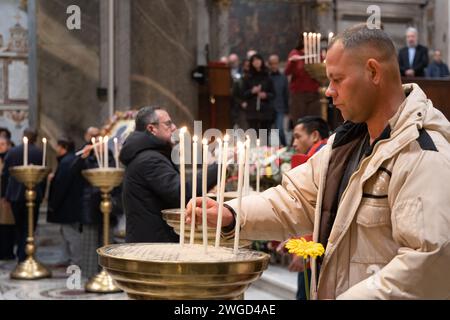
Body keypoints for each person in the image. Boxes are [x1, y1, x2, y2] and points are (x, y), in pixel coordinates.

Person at [187, 24, 450, 299]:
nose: (328, 91)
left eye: (337, 79)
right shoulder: (345, 143)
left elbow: (426, 266)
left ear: (373, 72)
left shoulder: (422, 155)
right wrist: (232, 214)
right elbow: (295, 199)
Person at [119, 106, 218, 243]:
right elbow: (183, 194)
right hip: (152, 246)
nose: (174, 127)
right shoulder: (149, 160)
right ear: (151, 129)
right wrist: (219, 167)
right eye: (168, 123)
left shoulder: (150, 154)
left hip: (152, 239)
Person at [287, 116, 330, 300]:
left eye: (298, 137)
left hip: (313, 247)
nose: (294, 143)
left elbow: (313, 207)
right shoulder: (319, 155)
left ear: (314, 135)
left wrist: (303, 248)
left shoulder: (321, 158)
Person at [1, 129, 46, 263]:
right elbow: (42, 176)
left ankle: (22, 254)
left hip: (15, 195)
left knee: (20, 227)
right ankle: (25, 255)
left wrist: (4, 194)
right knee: (30, 227)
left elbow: (5, 175)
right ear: (36, 138)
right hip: (34, 194)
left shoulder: (13, 152)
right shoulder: (39, 152)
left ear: (23, 137)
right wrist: (42, 193)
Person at [47, 137, 84, 266]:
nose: (56, 149)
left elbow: (62, 185)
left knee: (71, 234)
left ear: (64, 147)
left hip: (67, 205)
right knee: (66, 233)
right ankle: (67, 258)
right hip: (70, 204)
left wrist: (54, 204)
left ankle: (76, 260)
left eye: (57, 146)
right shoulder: (70, 160)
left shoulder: (66, 162)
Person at [285, 37, 321, 122]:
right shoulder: (295, 53)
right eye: (308, 39)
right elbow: (287, 72)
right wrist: (292, 62)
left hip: (314, 92)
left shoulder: (317, 54)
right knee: (299, 120)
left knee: (313, 121)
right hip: (299, 93)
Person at [242, 54, 275, 131]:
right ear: (251, 63)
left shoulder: (267, 77)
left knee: (264, 137)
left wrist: (265, 95)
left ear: (262, 61)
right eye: (254, 60)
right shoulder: (247, 77)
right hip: (252, 111)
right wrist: (252, 91)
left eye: (258, 60)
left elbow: (273, 94)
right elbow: (243, 94)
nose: (256, 62)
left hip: (265, 111)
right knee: (253, 136)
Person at [268, 54, 289, 146]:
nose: (274, 66)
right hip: (268, 107)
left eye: (275, 63)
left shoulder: (283, 78)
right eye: (272, 63)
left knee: (280, 129)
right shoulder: (267, 77)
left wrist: (287, 108)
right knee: (267, 130)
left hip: (280, 107)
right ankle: (267, 149)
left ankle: (285, 146)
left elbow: (286, 93)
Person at [0, 135, 14, 260]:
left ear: (8, 145)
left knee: (7, 226)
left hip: (6, 198)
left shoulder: (10, 158)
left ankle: (7, 252)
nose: (0, 146)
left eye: (3, 144)